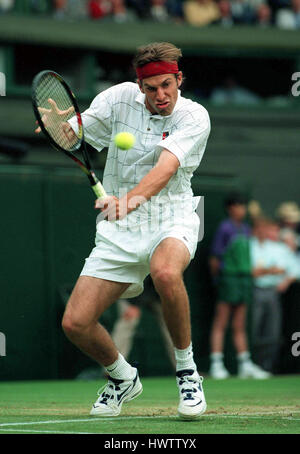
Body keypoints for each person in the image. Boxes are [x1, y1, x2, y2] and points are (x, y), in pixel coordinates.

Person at [36, 42, 211, 419]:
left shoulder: (195, 117)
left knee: (166, 272)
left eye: (168, 85)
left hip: (173, 215)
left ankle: (187, 372)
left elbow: (165, 171)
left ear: (180, 79)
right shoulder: (116, 99)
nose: (160, 95)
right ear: (139, 85)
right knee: (76, 322)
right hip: (121, 226)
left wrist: (127, 200)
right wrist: (57, 129)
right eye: (151, 88)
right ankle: (122, 377)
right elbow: (74, 139)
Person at [209, 193, 270, 379]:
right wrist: (219, 281)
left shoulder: (245, 228)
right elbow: (214, 259)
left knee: (239, 324)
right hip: (229, 280)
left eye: (244, 206)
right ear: (230, 208)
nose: (242, 210)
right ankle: (216, 365)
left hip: (244, 281)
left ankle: (245, 364)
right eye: (238, 206)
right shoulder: (225, 228)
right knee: (221, 322)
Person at [250, 217, 298, 373]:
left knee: (273, 332)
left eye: (268, 229)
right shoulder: (249, 245)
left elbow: (289, 269)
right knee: (254, 329)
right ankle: (252, 365)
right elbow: (253, 272)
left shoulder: (278, 248)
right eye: (262, 229)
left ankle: (267, 366)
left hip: (272, 292)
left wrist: (280, 277)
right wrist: (271, 271)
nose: (265, 232)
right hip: (255, 291)